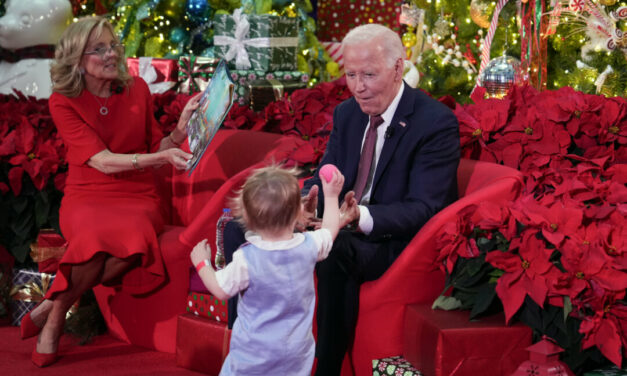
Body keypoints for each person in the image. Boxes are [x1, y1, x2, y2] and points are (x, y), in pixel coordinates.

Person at [19, 16, 201, 367]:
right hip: (88, 193)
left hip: (137, 196)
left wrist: (177, 133)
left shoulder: (138, 90)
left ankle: (53, 306)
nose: (110, 54)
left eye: (113, 46)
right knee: (92, 239)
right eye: (98, 49)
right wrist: (159, 155)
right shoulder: (63, 101)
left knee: (135, 238)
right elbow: (101, 162)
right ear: (77, 60)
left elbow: (154, 147)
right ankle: (55, 318)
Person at [305, 23, 460, 374]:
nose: (358, 87)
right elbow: (326, 175)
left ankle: (326, 369)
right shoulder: (348, 114)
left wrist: (357, 216)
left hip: (391, 241)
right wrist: (304, 202)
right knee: (247, 230)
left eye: (369, 75)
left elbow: (425, 208)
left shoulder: (434, 122)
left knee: (334, 251)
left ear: (397, 68)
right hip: (338, 225)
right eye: (351, 75)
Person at [190, 165, 345, 375]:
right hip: (295, 355)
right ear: (297, 213)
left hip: (252, 358)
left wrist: (202, 263)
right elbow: (330, 230)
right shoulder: (308, 245)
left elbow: (220, 289)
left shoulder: (247, 258)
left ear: (247, 218)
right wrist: (332, 195)